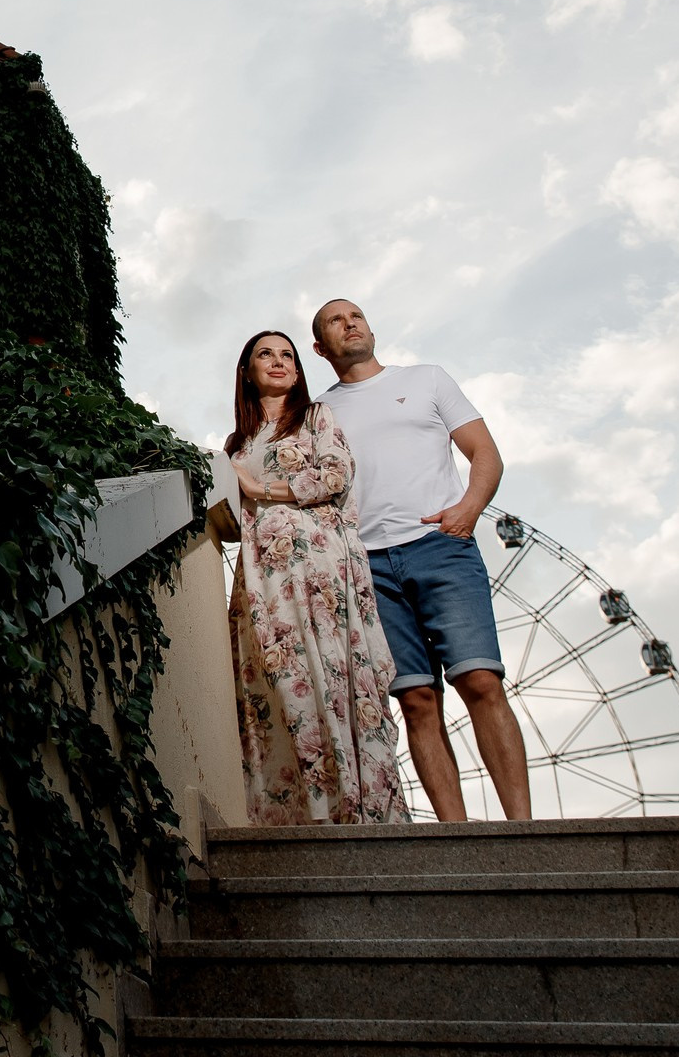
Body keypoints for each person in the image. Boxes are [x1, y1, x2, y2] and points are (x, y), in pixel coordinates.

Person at [311, 298, 530, 822]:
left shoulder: (429, 379)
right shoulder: (318, 412)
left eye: (356, 315)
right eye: (335, 322)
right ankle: (454, 837)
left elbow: (485, 452)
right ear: (321, 348)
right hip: (368, 565)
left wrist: (469, 509)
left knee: (480, 680)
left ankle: (526, 828)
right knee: (416, 701)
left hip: (441, 547)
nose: (351, 323)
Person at [213, 329, 409, 825]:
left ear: (299, 371)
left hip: (322, 567)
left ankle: (354, 807)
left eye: (287, 355)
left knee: (332, 672)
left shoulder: (318, 417)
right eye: (265, 354)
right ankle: (299, 812)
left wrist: (262, 487)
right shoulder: (236, 443)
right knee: (282, 682)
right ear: (247, 370)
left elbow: (337, 473)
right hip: (264, 576)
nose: (278, 362)